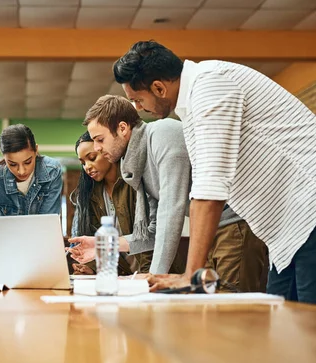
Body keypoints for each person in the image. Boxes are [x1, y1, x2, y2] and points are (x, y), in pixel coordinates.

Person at [113, 40, 316, 306]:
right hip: (293, 219)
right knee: (283, 319)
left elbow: (209, 186)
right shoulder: (194, 100)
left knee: (313, 325)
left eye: (137, 100)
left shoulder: (210, 86)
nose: (139, 108)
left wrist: (190, 274)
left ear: (158, 87)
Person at [77, 95, 268, 293]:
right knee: (209, 303)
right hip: (210, 228)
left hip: (235, 221)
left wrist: (152, 278)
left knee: (230, 305)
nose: (97, 147)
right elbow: (152, 233)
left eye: (100, 140)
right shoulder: (136, 163)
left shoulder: (162, 134)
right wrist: (105, 244)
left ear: (123, 128)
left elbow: (172, 209)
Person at [69, 131, 153, 275]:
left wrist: (147, 276)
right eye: (83, 163)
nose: (87, 167)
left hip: (152, 272)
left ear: (106, 151)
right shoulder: (92, 195)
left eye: (92, 158)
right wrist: (91, 268)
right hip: (122, 276)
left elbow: (149, 238)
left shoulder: (134, 182)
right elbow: (98, 241)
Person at [0, 124, 62, 217]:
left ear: (36, 150)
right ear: (3, 157)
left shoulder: (52, 171)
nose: (21, 171)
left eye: (28, 162)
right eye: (13, 164)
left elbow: (47, 223)